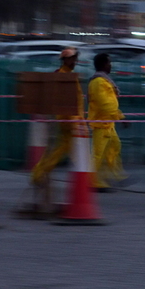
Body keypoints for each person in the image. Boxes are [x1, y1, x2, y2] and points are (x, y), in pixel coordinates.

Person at [29, 48, 84, 208]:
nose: (74, 62)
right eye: (72, 59)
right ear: (65, 60)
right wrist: (76, 120)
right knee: (61, 150)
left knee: (64, 150)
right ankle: (39, 174)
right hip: (68, 120)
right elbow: (66, 101)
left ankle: (40, 175)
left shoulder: (66, 75)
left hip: (71, 119)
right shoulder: (63, 76)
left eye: (75, 59)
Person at [88, 53, 126, 192]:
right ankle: (95, 181)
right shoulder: (98, 82)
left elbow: (110, 103)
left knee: (114, 146)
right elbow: (106, 104)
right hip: (101, 123)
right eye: (109, 63)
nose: (111, 65)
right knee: (98, 154)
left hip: (108, 123)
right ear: (103, 65)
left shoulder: (104, 81)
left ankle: (115, 175)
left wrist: (119, 116)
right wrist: (119, 116)